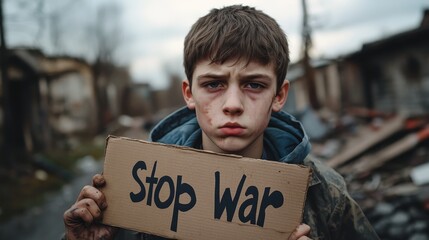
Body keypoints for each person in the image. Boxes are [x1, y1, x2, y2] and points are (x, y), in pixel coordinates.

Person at [63, 5, 379, 240]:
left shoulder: (324, 193)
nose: (232, 105)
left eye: (254, 85)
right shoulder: (135, 190)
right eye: (213, 84)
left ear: (279, 95)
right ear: (189, 93)